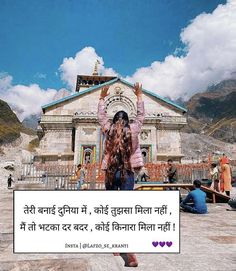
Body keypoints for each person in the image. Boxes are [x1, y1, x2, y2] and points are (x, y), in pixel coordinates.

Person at [98, 82, 144, 267]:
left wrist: (102, 98)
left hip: (111, 173)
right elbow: (141, 116)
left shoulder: (108, 130)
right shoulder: (133, 130)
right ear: (127, 120)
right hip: (127, 173)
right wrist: (139, 96)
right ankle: (130, 254)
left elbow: (101, 117)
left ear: (114, 119)